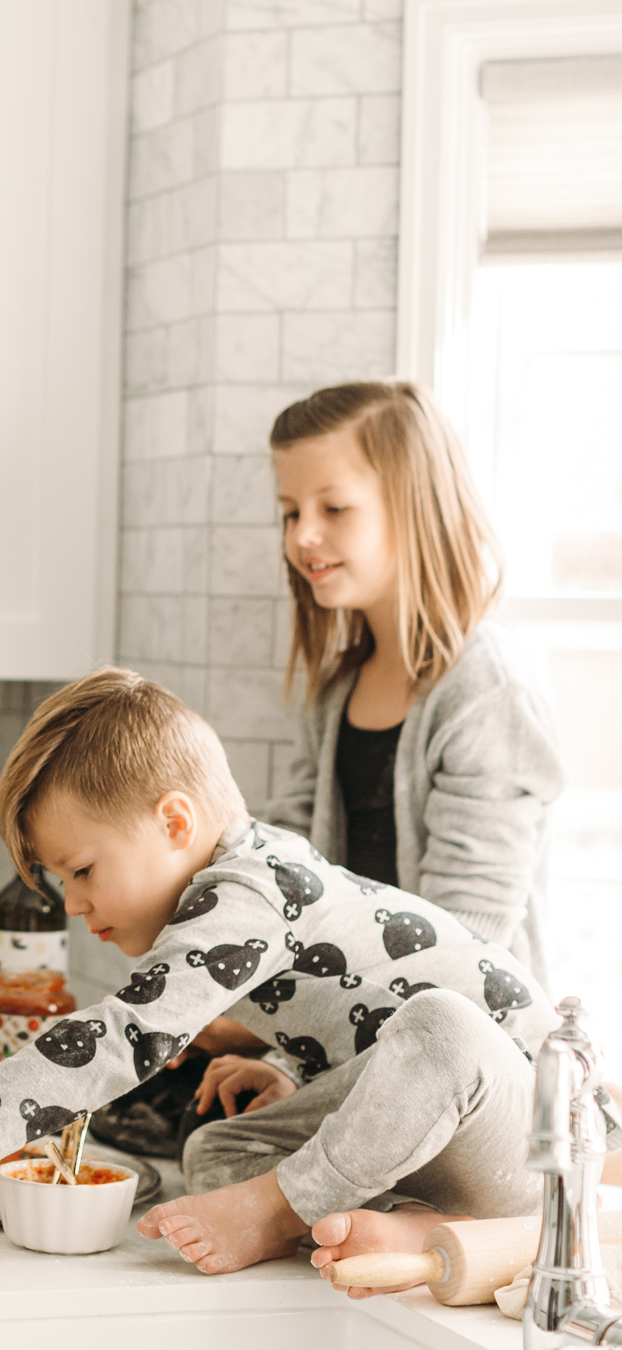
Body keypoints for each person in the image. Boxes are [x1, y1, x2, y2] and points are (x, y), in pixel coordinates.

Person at [0, 669, 599, 1286]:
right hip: (447, 1156)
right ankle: (424, 1227)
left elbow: (131, 1031)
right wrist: (296, 1076)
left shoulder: (249, 887)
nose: (72, 904)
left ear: (175, 823)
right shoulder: (237, 894)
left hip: (537, 1136)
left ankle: (288, 1210)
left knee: (443, 1024)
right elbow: (361, 1009)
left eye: (83, 870)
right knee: (216, 1155)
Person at [265, 381, 562, 984]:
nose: (301, 536)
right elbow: (292, 874)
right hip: (354, 1022)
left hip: (459, 1032)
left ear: (415, 507)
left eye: (333, 508)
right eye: (291, 512)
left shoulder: (486, 688)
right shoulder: (336, 689)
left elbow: (466, 942)